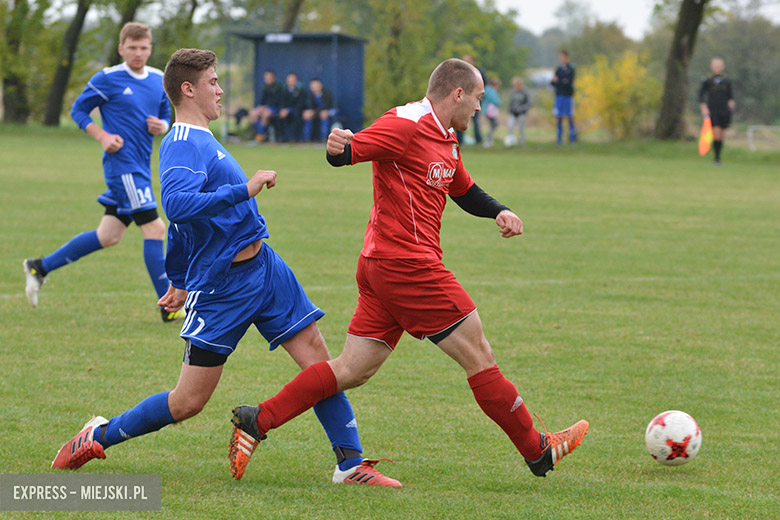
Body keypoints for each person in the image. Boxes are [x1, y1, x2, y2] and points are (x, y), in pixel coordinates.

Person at [51, 48, 401, 488]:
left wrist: (177, 280)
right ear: (188, 89)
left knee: (317, 359)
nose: (220, 89)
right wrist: (246, 189)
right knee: (187, 402)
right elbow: (177, 207)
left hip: (266, 269)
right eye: (213, 82)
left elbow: (185, 226)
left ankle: (351, 464)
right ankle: (98, 435)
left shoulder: (203, 136)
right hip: (223, 288)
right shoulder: (182, 143)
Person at [229, 58, 588, 483]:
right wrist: (336, 146)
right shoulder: (405, 122)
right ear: (457, 93)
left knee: (351, 369)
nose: (479, 107)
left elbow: (464, 189)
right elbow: (347, 153)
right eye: (476, 98)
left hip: (385, 266)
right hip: (408, 266)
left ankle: (257, 420)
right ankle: (537, 450)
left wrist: (500, 211)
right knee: (480, 355)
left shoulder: (447, 136)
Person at [22, 22, 180, 322]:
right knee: (156, 229)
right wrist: (102, 136)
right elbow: (78, 111)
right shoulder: (107, 78)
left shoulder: (160, 79)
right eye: (132, 48)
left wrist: (164, 126)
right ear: (122, 49)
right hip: (122, 168)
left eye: (144, 47)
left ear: (150, 48)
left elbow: (164, 115)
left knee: (108, 236)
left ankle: (39, 267)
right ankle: (168, 309)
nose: (138, 53)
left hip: (140, 167)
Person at [699, 57, 735, 165]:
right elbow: (701, 96)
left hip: (724, 111)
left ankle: (718, 156)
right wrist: (704, 108)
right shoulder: (707, 81)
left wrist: (731, 105)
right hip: (713, 110)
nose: (717, 68)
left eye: (719, 66)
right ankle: (716, 158)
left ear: (723, 67)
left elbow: (730, 96)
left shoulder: (727, 81)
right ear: (711, 67)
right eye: (715, 66)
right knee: (716, 132)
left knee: (722, 135)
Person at [455, 54, 486, 145]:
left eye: (467, 61)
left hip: (475, 100)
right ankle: (459, 141)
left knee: (475, 120)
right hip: (462, 100)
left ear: (473, 62)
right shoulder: (460, 73)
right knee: (459, 118)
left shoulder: (479, 72)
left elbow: (484, 85)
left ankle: (478, 139)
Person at [249, 70, 283, 143]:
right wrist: (261, 107)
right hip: (265, 107)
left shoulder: (279, 87)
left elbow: (278, 101)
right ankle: (260, 132)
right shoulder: (265, 87)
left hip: (274, 108)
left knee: (265, 115)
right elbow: (262, 100)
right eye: (266, 78)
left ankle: (260, 136)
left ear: (273, 78)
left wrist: (266, 108)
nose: (267, 79)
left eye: (269, 78)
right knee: (253, 113)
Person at [551, 50, 576, 145]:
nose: (561, 59)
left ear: (567, 58)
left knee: (570, 117)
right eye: (560, 57)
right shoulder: (558, 69)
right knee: (559, 117)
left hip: (568, 96)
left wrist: (559, 82)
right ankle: (559, 140)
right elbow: (553, 82)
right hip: (559, 96)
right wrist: (561, 81)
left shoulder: (571, 69)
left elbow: (569, 83)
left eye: (563, 57)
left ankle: (572, 140)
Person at [277, 72, 307, 142]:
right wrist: (283, 110)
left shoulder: (301, 90)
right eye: (289, 81)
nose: (291, 82)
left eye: (293, 80)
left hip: (296, 111)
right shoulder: (284, 90)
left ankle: (294, 138)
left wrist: (289, 110)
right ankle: (280, 138)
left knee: (296, 115)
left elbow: (301, 104)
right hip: (285, 111)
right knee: (278, 116)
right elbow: (281, 102)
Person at [505, 77, 532, 147]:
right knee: (510, 126)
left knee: (521, 129)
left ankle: (522, 143)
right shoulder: (513, 92)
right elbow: (511, 102)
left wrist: (521, 109)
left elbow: (529, 103)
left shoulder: (525, 92)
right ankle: (510, 142)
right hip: (513, 113)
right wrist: (509, 110)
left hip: (521, 113)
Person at [483, 77, 501, 148]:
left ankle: (489, 139)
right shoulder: (491, 91)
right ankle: (488, 140)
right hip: (490, 111)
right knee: (494, 125)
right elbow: (495, 101)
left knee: (493, 125)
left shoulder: (486, 90)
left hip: (487, 110)